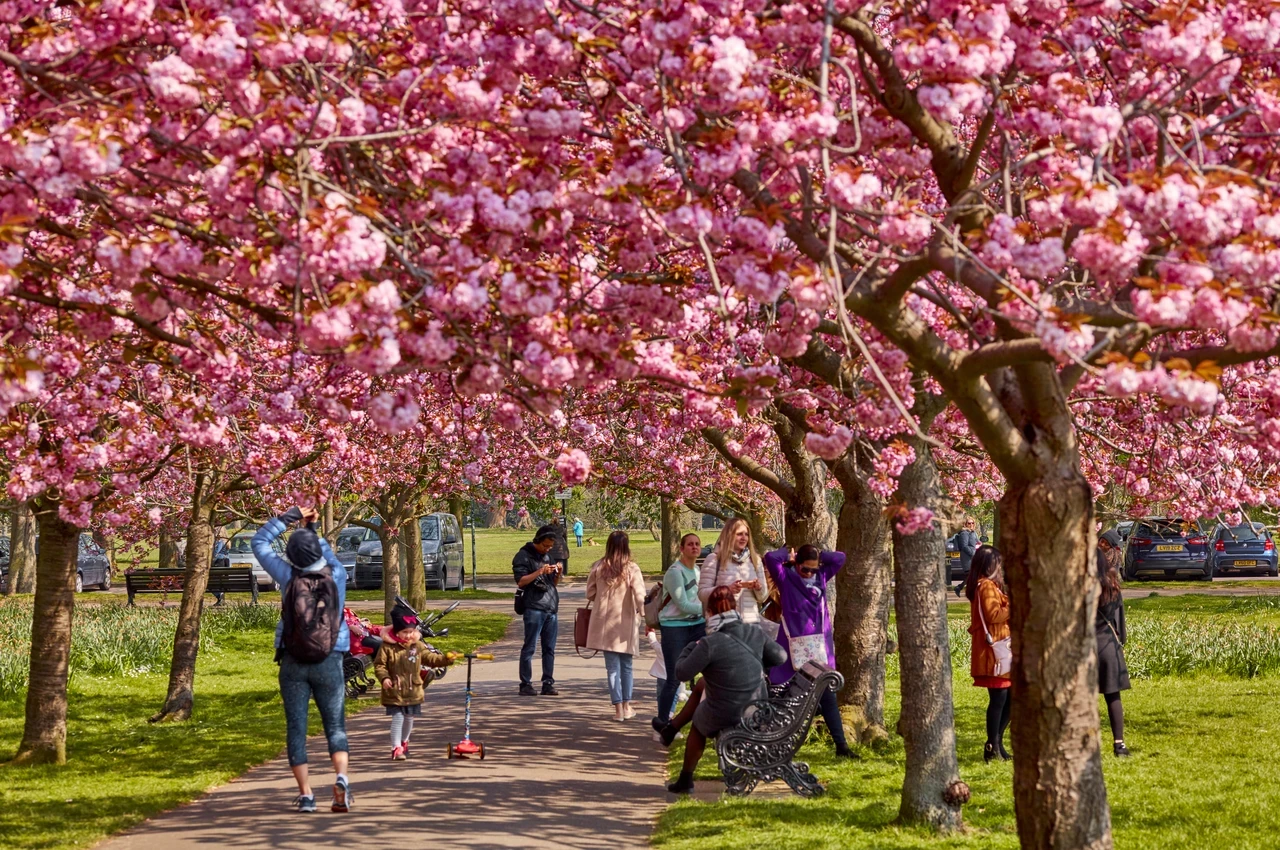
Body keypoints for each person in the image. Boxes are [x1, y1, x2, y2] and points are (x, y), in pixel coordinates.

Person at [253, 506, 353, 813]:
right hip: (330, 657)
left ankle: (307, 795)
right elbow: (326, 553)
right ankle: (341, 779)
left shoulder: (286, 575)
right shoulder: (337, 575)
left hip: (294, 660)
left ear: (292, 556)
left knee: (296, 728)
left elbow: (260, 543)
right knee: (334, 726)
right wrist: (313, 528)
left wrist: (290, 517)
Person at [661, 585, 786, 794]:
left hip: (727, 711)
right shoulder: (754, 632)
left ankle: (686, 778)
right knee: (702, 686)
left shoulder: (710, 643)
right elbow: (780, 657)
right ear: (735, 608)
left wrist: (691, 647)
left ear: (709, 612)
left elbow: (682, 673)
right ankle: (671, 729)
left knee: (699, 721)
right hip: (757, 707)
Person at [762, 544, 852, 757]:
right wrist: (788, 555)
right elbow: (770, 558)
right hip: (792, 648)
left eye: (814, 568)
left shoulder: (821, 576)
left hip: (819, 647)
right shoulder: (786, 578)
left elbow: (840, 558)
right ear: (797, 564)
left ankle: (842, 746)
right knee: (782, 695)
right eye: (805, 569)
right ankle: (771, 740)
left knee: (827, 694)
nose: (809, 573)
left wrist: (820, 556)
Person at [375, 603, 456, 760]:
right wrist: (384, 678)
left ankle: (404, 742)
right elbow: (380, 665)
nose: (408, 635)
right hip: (395, 689)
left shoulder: (417, 646)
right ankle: (396, 747)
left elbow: (430, 658)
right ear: (396, 631)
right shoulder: (387, 647)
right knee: (398, 717)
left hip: (413, 689)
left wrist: (446, 659)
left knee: (409, 718)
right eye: (405, 632)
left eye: (411, 632)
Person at [585, 531, 647, 721]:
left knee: (612, 668)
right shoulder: (632, 569)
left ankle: (618, 709)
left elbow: (590, 593)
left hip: (604, 623)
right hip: (625, 623)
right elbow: (639, 595)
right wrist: (644, 614)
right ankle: (627, 706)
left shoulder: (598, 567)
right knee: (626, 666)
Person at [652, 533, 706, 728]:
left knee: (713, 667)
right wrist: (709, 610)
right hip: (675, 627)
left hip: (697, 625)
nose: (694, 547)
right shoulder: (675, 572)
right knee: (674, 678)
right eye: (690, 544)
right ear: (682, 549)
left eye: (697, 544)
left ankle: (707, 716)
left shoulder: (698, 571)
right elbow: (682, 604)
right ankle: (662, 722)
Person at [966, 544, 1011, 762]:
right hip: (995, 653)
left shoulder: (987, 586)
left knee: (1007, 698)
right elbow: (994, 615)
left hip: (998, 651)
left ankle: (997, 743)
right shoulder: (986, 587)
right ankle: (992, 746)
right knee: (999, 700)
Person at [513, 524, 563, 696]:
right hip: (533, 607)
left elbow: (552, 584)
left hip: (550, 607)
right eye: (545, 545)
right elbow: (521, 581)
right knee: (530, 646)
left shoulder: (548, 557)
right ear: (537, 541)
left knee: (549, 648)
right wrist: (540, 571)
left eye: (550, 547)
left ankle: (548, 682)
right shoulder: (523, 556)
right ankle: (525, 683)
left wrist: (556, 574)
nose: (547, 549)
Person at [1096, 529, 1131, 757]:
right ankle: (1119, 744)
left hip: (1085, 644)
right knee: (1112, 695)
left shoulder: (1080, 586)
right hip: (1108, 643)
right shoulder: (1111, 583)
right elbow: (1119, 615)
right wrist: (1121, 640)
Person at [697, 518, 767, 623]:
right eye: (739, 534)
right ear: (729, 535)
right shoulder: (714, 559)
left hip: (751, 625)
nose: (744, 538)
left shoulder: (755, 559)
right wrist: (727, 590)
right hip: (723, 624)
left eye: (746, 534)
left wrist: (758, 588)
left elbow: (763, 598)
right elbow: (702, 594)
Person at [952, 516, 980, 596]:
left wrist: (980, 544)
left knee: (972, 575)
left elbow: (977, 542)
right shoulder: (964, 534)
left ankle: (960, 588)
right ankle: (971, 592)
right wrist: (973, 553)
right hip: (967, 558)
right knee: (972, 575)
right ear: (965, 524)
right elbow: (964, 546)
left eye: (972, 523)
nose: (971, 524)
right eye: (969, 523)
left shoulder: (973, 533)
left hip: (974, 557)